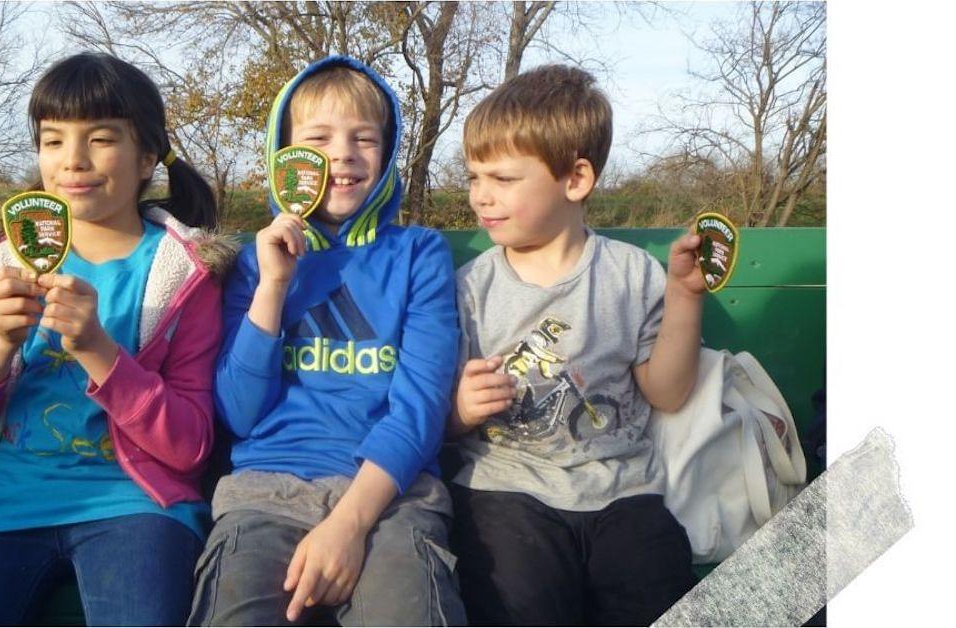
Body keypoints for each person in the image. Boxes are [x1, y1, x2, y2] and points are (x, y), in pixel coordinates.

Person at [0, 52, 235, 626]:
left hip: (139, 506)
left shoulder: (187, 277)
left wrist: (98, 350)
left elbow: (191, 447)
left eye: (101, 139)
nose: (72, 161)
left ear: (148, 157)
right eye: (53, 140)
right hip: (0, 504)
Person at [190, 55, 466, 626]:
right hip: (265, 494)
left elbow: (419, 410)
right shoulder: (251, 265)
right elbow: (240, 415)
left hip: (391, 497)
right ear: (281, 157)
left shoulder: (418, 254)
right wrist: (273, 287)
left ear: (386, 156)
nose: (342, 153)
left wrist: (349, 524)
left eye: (364, 138)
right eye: (317, 138)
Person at [446, 64, 703, 626]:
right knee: (519, 603)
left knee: (662, 594)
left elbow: (667, 392)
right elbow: (435, 424)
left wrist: (684, 294)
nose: (481, 197)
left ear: (576, 179)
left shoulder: (631, 275)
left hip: (624, 492)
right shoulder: (471, 288)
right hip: (504, 491)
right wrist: (459, 410)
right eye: (474, 177)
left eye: (503, 179)